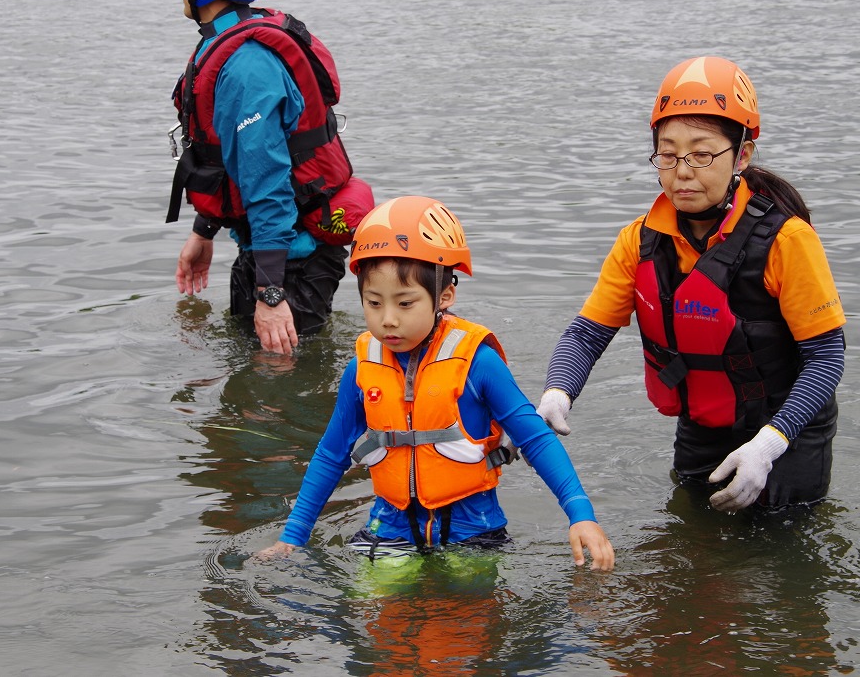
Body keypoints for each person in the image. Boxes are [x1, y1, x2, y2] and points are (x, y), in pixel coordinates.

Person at [536, 56, 846, 512]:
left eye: (702, 154)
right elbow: (587, 333)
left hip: (788, 431)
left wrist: (768, 445)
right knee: (693, 538)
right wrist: (557, 391)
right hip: (703, 424)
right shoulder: (639, 240)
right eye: (668, 152)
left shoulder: (788, 239)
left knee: (780, 552)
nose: (682, 171)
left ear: (741, 154)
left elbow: (826, 357)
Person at [257, 196, 614, 569]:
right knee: (377, 615)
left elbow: (536, 439)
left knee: (466, 621)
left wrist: (581, 516)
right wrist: (292, 537)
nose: (388, 320)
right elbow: (331, 455)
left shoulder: (478, 363)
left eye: (405, 303)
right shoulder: (362, 369)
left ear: (444, 296)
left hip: (471, 529)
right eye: (374, 303)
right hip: (390, 527)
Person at [151, 0, 373, 354]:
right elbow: (234, 161)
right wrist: (203, 231)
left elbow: (268, 181)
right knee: (249, 381)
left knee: (276, 397)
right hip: (273, 250)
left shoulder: (246, 70)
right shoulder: (229, 41)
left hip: (295, 261)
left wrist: (271, 296)